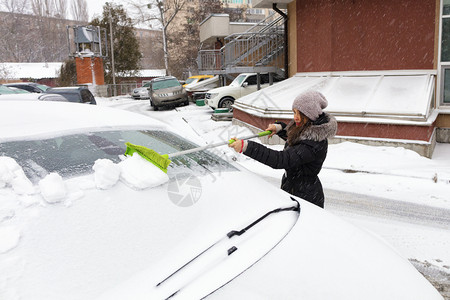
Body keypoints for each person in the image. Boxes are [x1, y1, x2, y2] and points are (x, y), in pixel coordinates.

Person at [229, 90, 337, 208]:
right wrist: (280, 128)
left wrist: (247, 147)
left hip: (306, 197)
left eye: (299, 114)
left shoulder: (313, 144)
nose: (295, 117)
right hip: (294, 188)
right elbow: (297, 139)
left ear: (309, 114)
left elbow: (281, 160)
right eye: (294, 112)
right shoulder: (308, 128)